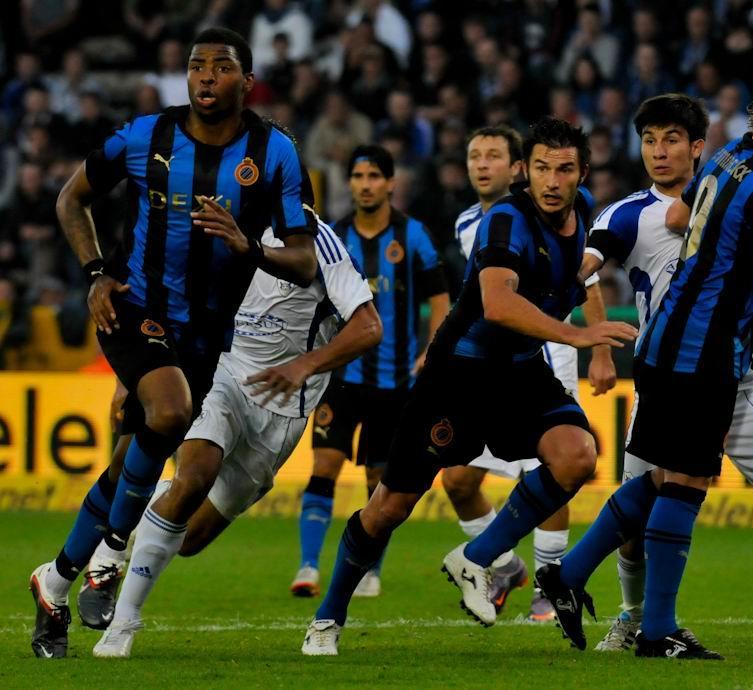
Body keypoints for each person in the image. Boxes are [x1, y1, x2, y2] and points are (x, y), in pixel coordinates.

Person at [28, 27, 318, 659]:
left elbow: (303, 261)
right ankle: (110, 556)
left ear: (247, 82)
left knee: (129, 463)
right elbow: (71, 199)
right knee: (170, 411)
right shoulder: (145, 136)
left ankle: (54, 582)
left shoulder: (275, 152)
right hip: (135, 307)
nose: (206, 76)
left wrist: (249, 246)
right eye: (196, 65)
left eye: (222, 67)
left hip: (208, 335)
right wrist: (95, 273)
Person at [299, 117, 638, 656]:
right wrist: (580, 335)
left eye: (565, 169)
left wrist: (592, 335)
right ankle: (328, 616)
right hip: (457, 376)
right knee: (389, 507)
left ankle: (475, 559)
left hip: (522, 371)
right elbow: (498, 304)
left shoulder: (582, 212)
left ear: (583, 173)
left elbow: (578, 276)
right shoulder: (505, 220)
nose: (553, 181)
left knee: (577, 455)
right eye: (543, 168)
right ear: (525, 171)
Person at [535, 63, 753, 660]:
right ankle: (655, 629)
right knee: (686, 483)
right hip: (706, 354)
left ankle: (568, 577)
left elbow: (679, 217)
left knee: (661, 480)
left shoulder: (728, 158)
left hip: (666, 346)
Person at [92, 218, 380, 657]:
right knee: (194, 476)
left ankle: (133, 526)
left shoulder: (319, 243)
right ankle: (122, 621)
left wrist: (304, 365)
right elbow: (157, 299)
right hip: (221, 373)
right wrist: (128, 375)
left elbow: (369, 327)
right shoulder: (217, 225)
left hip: (283, 407)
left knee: (190, 539)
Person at [439, 125, 615, 622]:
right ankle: (502, 566)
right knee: (457, 480)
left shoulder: (555, 215)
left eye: (493, 155)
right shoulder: (467, 222)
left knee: (554, 463)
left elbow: (587, 283)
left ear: (517, 168)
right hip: (488, 364)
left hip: (549, 353)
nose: (482, 164)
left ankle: (546, 583)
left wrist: (600, 350)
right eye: (475, 155)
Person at [565, 93, 708, 651]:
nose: (659, 151)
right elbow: (586, 266)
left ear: (696, 147)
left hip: (735, 373)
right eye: (649, 140)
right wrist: (593, 335)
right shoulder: (625, 214)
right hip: (664, 376)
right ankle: (634, 617)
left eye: (671, 139)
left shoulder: (725, 204)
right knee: (644, 506)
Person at [291, 145, 449, 599]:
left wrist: (432, 351)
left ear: (391, 183)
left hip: (395, 383)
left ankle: (369, 569)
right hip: (340, 378)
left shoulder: (412, 235)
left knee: (380, 481)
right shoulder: (335, 236)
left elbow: (440, 298)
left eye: (374, 176)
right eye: (358, 176)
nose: (365, 185)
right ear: (349, 183)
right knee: (324, 466)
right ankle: (307, 566)